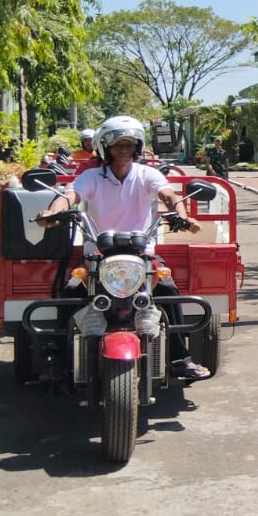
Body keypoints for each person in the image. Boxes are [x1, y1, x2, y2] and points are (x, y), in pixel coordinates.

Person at [35, 115, 210, 381]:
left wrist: (183, 215)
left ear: (138, 147)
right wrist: (52, 211)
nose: (124, 151)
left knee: (167, 287)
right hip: (98, 254)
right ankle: (57, 360)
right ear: (105, 148)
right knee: (70, 291)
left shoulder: (147, 174)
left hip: (141, 253)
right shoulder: (91, 176)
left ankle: (179, 357)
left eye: (129, 145)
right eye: (118, 145)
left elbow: (169, 195)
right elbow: (71, 196)